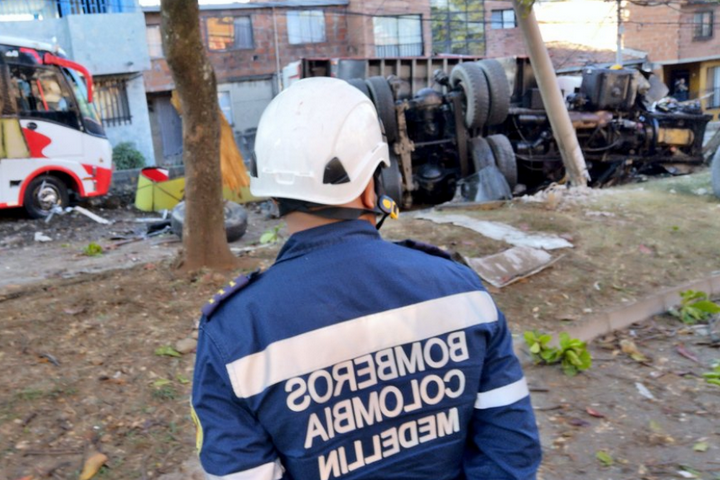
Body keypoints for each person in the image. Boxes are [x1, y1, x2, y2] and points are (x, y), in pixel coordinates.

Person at [190, 77, 541, 480]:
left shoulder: (232, 333)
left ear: (272, 195)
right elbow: (511, 455)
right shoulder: (461, 290)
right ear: (371, 185)